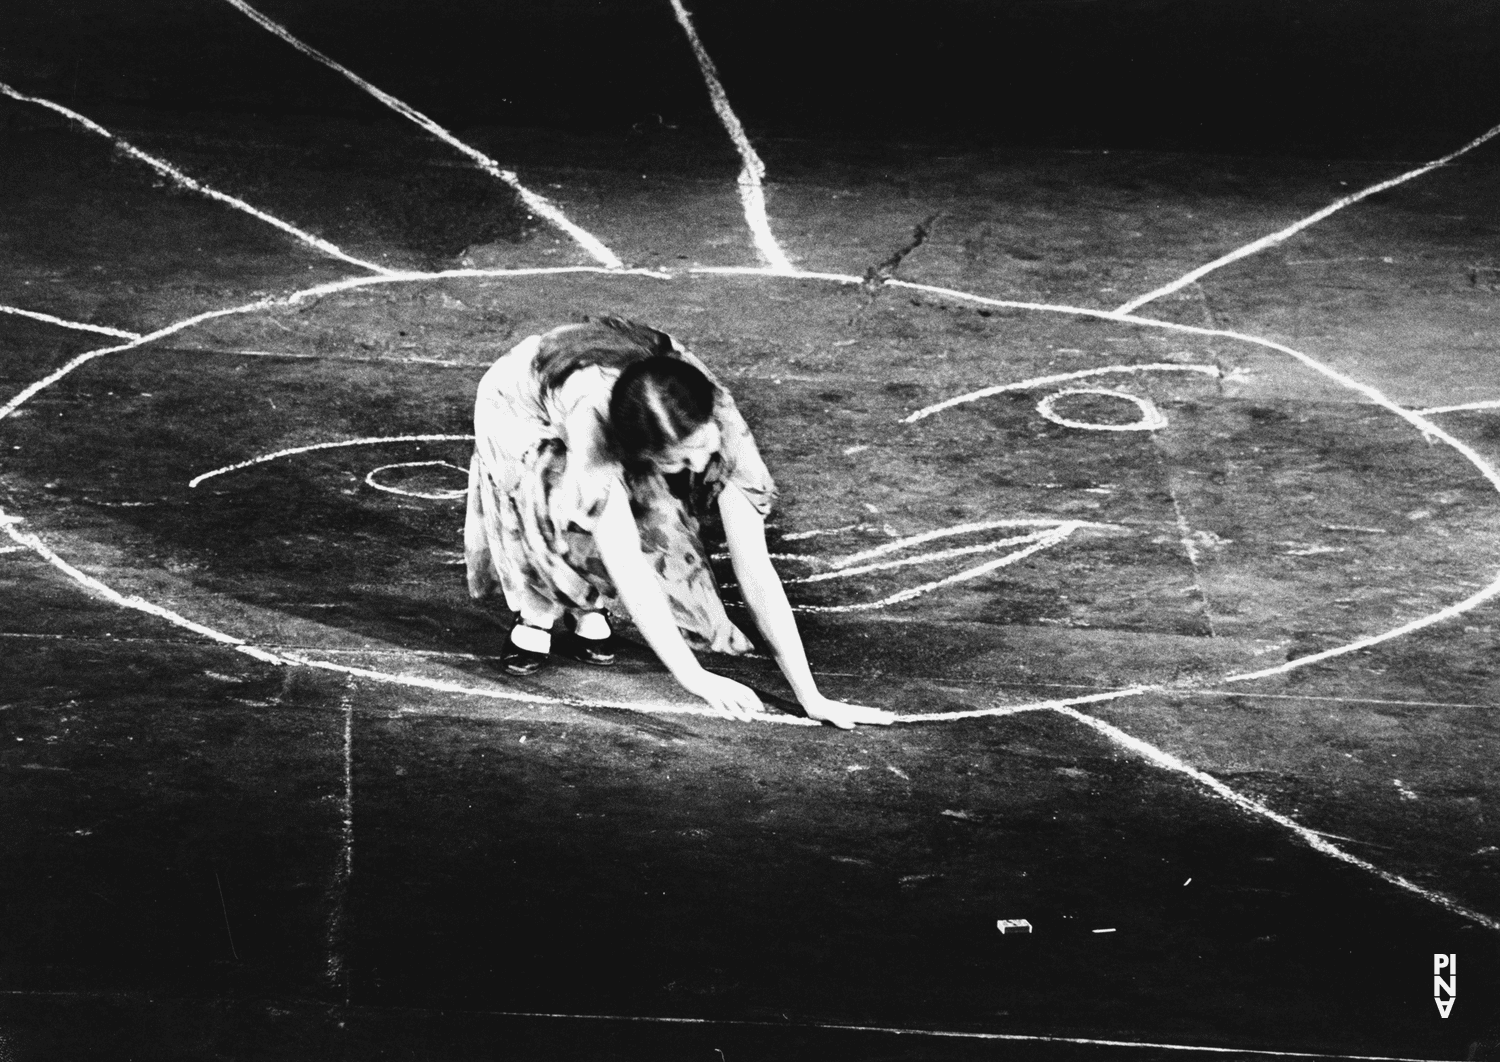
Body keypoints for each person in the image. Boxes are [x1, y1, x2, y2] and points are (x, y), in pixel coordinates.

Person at [464, 316, 893, 730]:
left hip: (597, 387)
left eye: (701, 445)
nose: (700, 464)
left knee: (663, 522)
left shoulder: (710, 413)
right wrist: (694, 676)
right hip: (519, 408)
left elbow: (755, 568)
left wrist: (812, 697)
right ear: (640, 454)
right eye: (680, 461)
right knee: (570, 516)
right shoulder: (596, 440)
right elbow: (628, 564)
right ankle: (539, 613)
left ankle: (587, 607)